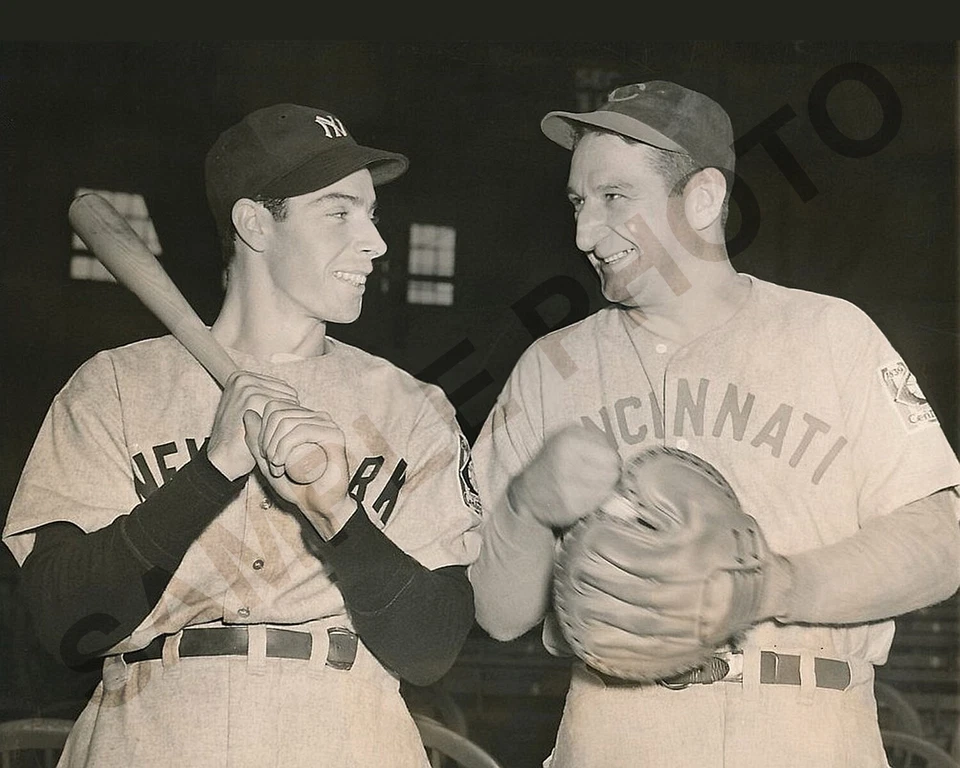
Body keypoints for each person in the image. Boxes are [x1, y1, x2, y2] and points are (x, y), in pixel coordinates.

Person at [467, 80, 960, 767]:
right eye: (579, 203)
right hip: (615, 730)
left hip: (806, 729)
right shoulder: (553, 367)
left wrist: (773, 585)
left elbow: (943, 542)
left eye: (615, 199)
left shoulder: (831, 335)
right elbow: (497, 613)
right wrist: (522, 506)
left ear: (702, 199)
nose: (584, 233)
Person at [3, 103, 483, 767]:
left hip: (345, 725)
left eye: (372, 214)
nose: (375, 241)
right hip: (152, 723)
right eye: (341, 212)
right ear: (256, 223)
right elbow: (63, 626)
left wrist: (339, 516)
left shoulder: (412, 406)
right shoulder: (115, 386)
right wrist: (210, 473)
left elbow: (430, 650)